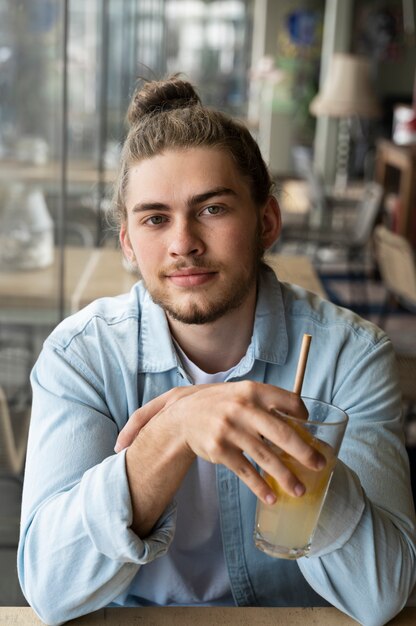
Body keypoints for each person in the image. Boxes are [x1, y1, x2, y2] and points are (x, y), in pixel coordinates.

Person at [18, 76, 415, 626]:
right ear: (129, 244)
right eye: (155, 218)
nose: (183, 242)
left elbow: (381, 596)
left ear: (267, 221)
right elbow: (49, 589)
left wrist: (307, 468)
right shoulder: (80, 357)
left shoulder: (351, 354)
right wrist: (173, 428)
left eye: (212, 209)